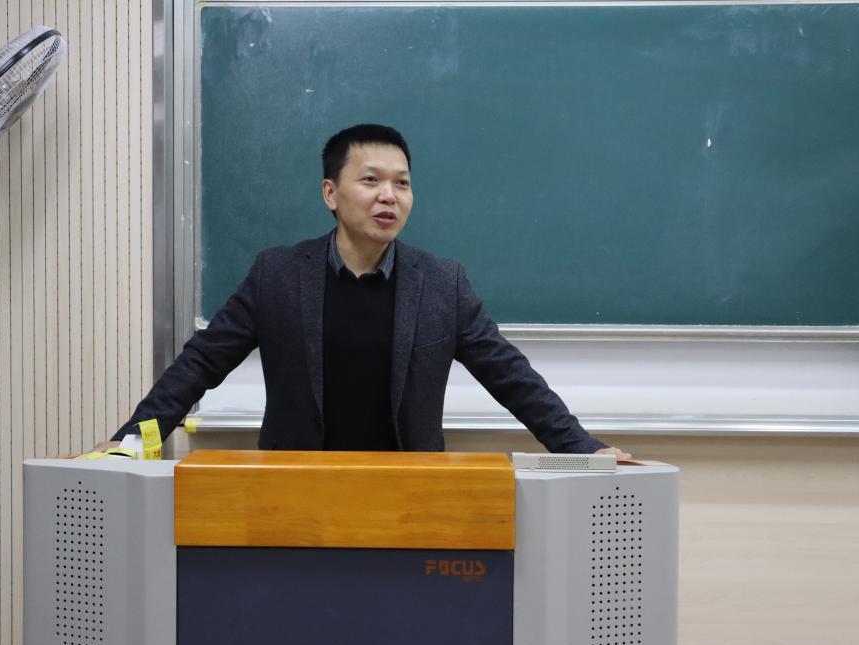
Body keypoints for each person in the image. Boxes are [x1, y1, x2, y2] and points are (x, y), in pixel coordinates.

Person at [96, 124, 627, 459]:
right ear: (331, 193)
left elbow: (511, 376)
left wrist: (584, 448)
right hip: (293, 490)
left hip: (408, 495)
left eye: (402, 183)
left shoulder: (442, 283)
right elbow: (200, 364)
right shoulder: (277, 274)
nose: (389, 196)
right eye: (371, 180)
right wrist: (130, 442)